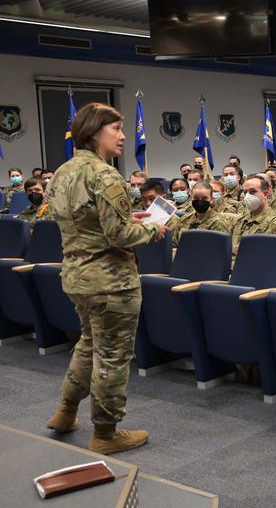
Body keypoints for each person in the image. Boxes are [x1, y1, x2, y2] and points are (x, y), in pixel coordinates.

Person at [45, 103, 167, 454]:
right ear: (96, 131)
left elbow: (89, 224)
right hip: (111, 281)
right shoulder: (106, 174)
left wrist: (132, 218)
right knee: (112, 356)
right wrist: (151, 228)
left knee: (89, 344)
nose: (124, 136)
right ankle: (106, 432)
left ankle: (66, 412)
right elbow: (118, 236)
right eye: (117, 129)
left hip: (77, 276)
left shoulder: (63, 173)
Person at [231, 175, 276, 255]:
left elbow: (264, 256)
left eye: (252, 191)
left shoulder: (275, 224)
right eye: (245, 192)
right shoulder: (241, 220)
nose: (247, 196)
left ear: (265, 194)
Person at [170, 182, 234, 248]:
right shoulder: (184, 220)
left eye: (204, 198)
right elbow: (174, 244)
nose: (200, 201)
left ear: (211, 200)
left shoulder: (220, 223)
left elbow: (221, 251)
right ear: (191, 198)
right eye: (196, 198)